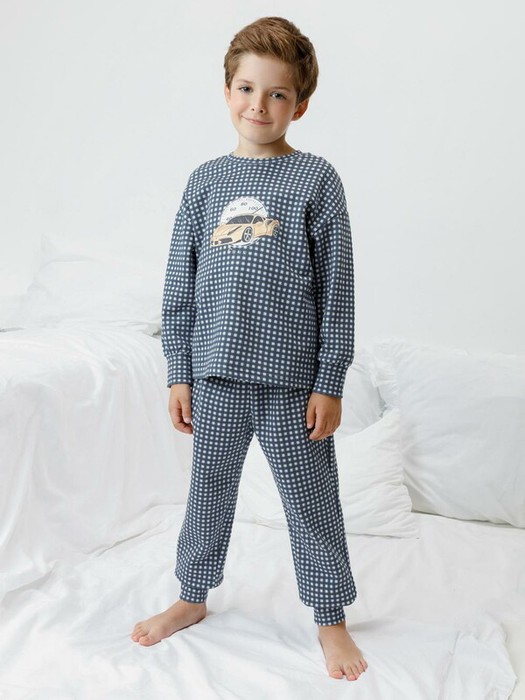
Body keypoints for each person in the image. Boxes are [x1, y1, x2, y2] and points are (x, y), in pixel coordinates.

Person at [131, 16, 368, 682]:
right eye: (246, 89)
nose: (258, 106)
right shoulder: (204, 182)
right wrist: (179, 373)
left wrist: (329, 380)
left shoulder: (316, 181)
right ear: (227, 90)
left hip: (292, 385)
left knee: (311, 503)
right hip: (215, 379)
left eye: (277, 94)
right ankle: (191, 595)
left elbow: (338, 291)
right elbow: (179, 288)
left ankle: (330, 617)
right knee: (207, 494)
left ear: (300, 104)